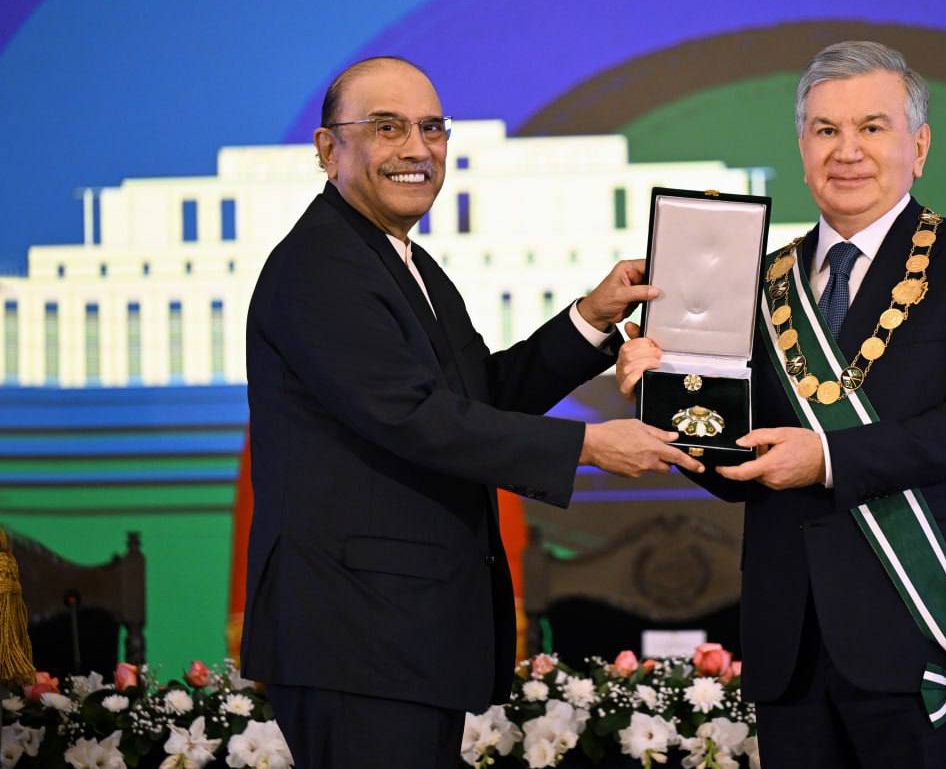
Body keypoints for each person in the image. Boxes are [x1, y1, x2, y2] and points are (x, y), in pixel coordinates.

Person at [241, 55, 703, 766]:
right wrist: (589, 446)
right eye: (388, 127)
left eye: (432, 128)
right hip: (355, 638)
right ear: (328, 148)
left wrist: (592, 317)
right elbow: (414, 417)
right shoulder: (319, 266)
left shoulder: (401, 260)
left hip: (398, 637)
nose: (417, 149)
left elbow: (476, 396)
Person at [618, 41, 946, 767]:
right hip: (791, 645)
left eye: (872, 127)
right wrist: (664, 397)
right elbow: (734, 466)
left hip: (922, 631)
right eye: (825, 130)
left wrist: (828, 458)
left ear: (919, 146)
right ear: (802, 148)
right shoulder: (756, 282)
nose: (847, 151)